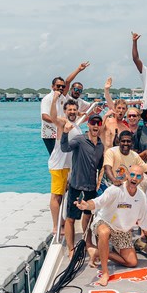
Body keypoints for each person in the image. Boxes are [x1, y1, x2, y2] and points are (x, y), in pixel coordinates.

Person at [74, 165, 147, 287]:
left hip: (122, 231)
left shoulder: (141, 196)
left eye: (138, 176)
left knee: (132, 262)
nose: (134, 178)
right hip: (104, 222)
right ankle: (105, 272)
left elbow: (146, 222)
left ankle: (97, 252)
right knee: (104, 232)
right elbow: (97, 202)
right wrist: (86, 205)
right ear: (127, 175)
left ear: (142, 179)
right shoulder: (115, 190)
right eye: (132, 174)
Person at [61, 113, 105, 256]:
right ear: (88, 124)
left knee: (88, 217)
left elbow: (100, 166)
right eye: (93, 123)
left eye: (98, 124)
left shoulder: (100, 145)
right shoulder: (79, 140)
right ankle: (71, 248)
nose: (96, 126)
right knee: (71, 218)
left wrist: (100, 182)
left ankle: (88, 242)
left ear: (101, 126)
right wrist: (65, 133)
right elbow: (65, 148)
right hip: (76, 187)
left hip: (91, 188)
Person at [47, 96, 83, 234]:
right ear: (65, 111)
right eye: (69, 110)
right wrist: (55, 100)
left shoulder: (76, 125)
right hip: (59, 165)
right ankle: (56, 227)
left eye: (74, 109)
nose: (72, 112)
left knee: (64, 194)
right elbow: (53, 117)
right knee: (56, 195)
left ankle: (61, 221)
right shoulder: (63, 122)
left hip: (69, 166)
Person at [40, 62, 89, 153]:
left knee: (65, 154)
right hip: (50, 134)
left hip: (61, 131)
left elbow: (67, 83)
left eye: (62, 86)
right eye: (58, 86)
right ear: (52, 86)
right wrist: (61, 121)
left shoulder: (62, 97)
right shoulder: (47, 99)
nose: (61, 88)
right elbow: (44, 117)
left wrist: (78, 113)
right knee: (55, 157)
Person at [101, 77, 130, 148]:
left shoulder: (126, 128)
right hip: (105, 155)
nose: (121, 110)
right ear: (115, 109)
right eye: (119, 108)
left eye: (123, 108)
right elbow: (98, 131)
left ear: (126, 110)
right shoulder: (107, 121)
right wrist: (106, 90)